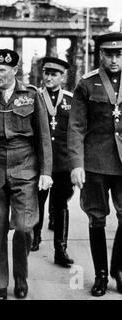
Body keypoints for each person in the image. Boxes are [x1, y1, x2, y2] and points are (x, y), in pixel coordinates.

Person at [0, 49, 53, 300]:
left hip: (24, 165)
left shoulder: (31, 95)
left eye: (1, 71)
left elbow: (43, 136)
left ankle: (21, 275)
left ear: (15, 71)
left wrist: (46, 171)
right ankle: (0, 284)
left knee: (24, 226)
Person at [68, 32, 122, 296]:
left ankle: (119, 268)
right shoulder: (86, 84)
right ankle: (101, 275)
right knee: (97, 219)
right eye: (109, 54)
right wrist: (76, 164)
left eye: (119, 54)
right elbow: (76, 127)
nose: (114, 59)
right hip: (95, 163)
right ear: (100, 54)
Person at [30, 57, 75, 267]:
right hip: (39, 163)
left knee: (61, 205)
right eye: (46, 73)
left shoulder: (71, 100)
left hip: (63, 163)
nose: (48, 78)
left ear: (62, 77)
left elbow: (76, 133)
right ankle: (35, 236)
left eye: (54, 74)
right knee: (37, 201)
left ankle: (60, 248)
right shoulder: (35, 98)